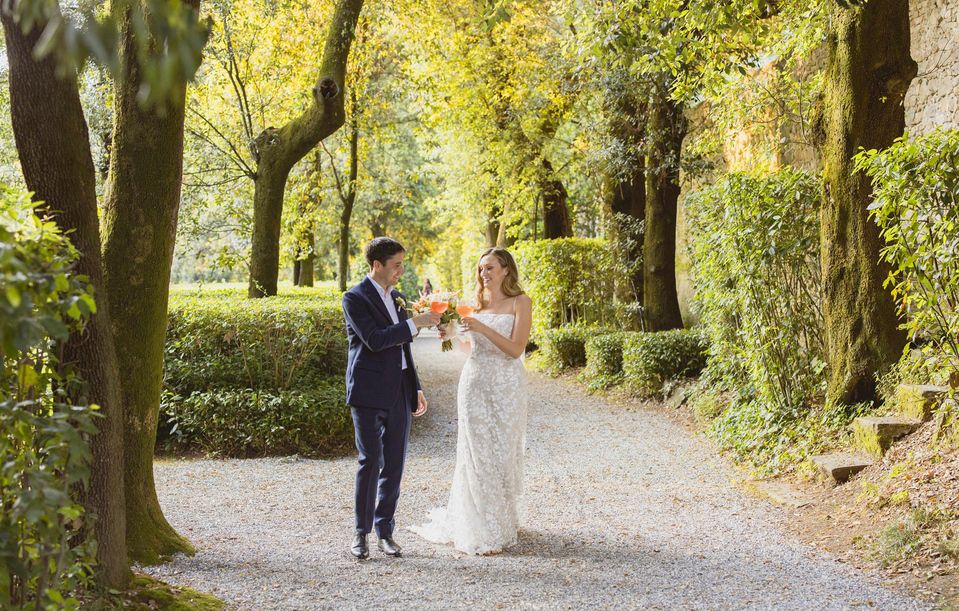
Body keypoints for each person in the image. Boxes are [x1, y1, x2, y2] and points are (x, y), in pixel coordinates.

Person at [410, 247, 532, 555]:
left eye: (490, 268)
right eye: (480, 269)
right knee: (477, 452)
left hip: (507, 385)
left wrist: (482, 328)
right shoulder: (476, 304)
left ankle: (502, 520)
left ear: (506, 269)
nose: (484, 274)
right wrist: (450, 336)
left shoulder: (521, 302)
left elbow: (516, 350)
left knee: (503, 451)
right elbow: (471, 348)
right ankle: (480, 526)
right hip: (475, 383)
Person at [341, 237, 441, 560]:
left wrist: (416, 385)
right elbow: (374, 340)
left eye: (402, 264)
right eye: (396, 265)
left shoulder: (398, 297)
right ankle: (361, 533)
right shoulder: (354, 298)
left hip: (399, 388)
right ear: (377, 265)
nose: (401, 270)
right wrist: (415, 323)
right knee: (371, 461)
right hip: (368, 391)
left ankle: (386, 532)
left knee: (395, 463)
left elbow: (403, 347)